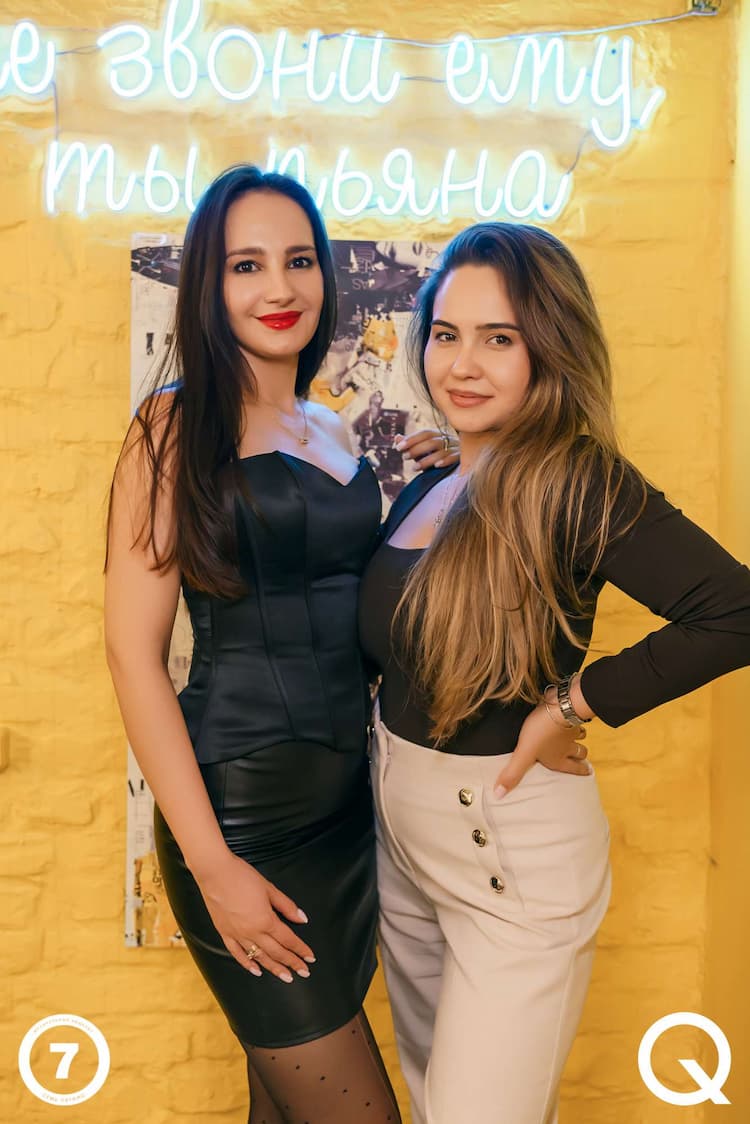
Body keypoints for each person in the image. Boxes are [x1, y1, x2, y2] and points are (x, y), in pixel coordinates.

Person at [357, 221, 750, 1124]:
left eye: (499, 338)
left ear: (551, 346)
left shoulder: (577, 480)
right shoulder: (436, 480)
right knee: (434, 1100)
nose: (463, 364)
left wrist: (575, 702)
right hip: (402, 840)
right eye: (446, 334)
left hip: (507, 847)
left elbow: (734, 610)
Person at [104, 163, 456, 1124]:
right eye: (245, 264)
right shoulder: (172, 425)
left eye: (299, 261)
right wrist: (212, 866)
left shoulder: (331, 427)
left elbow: (362, 605)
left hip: (351, 815)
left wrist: (458, 476)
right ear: (208, 287)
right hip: (244, 819)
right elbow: (133, 656)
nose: (279, 287)